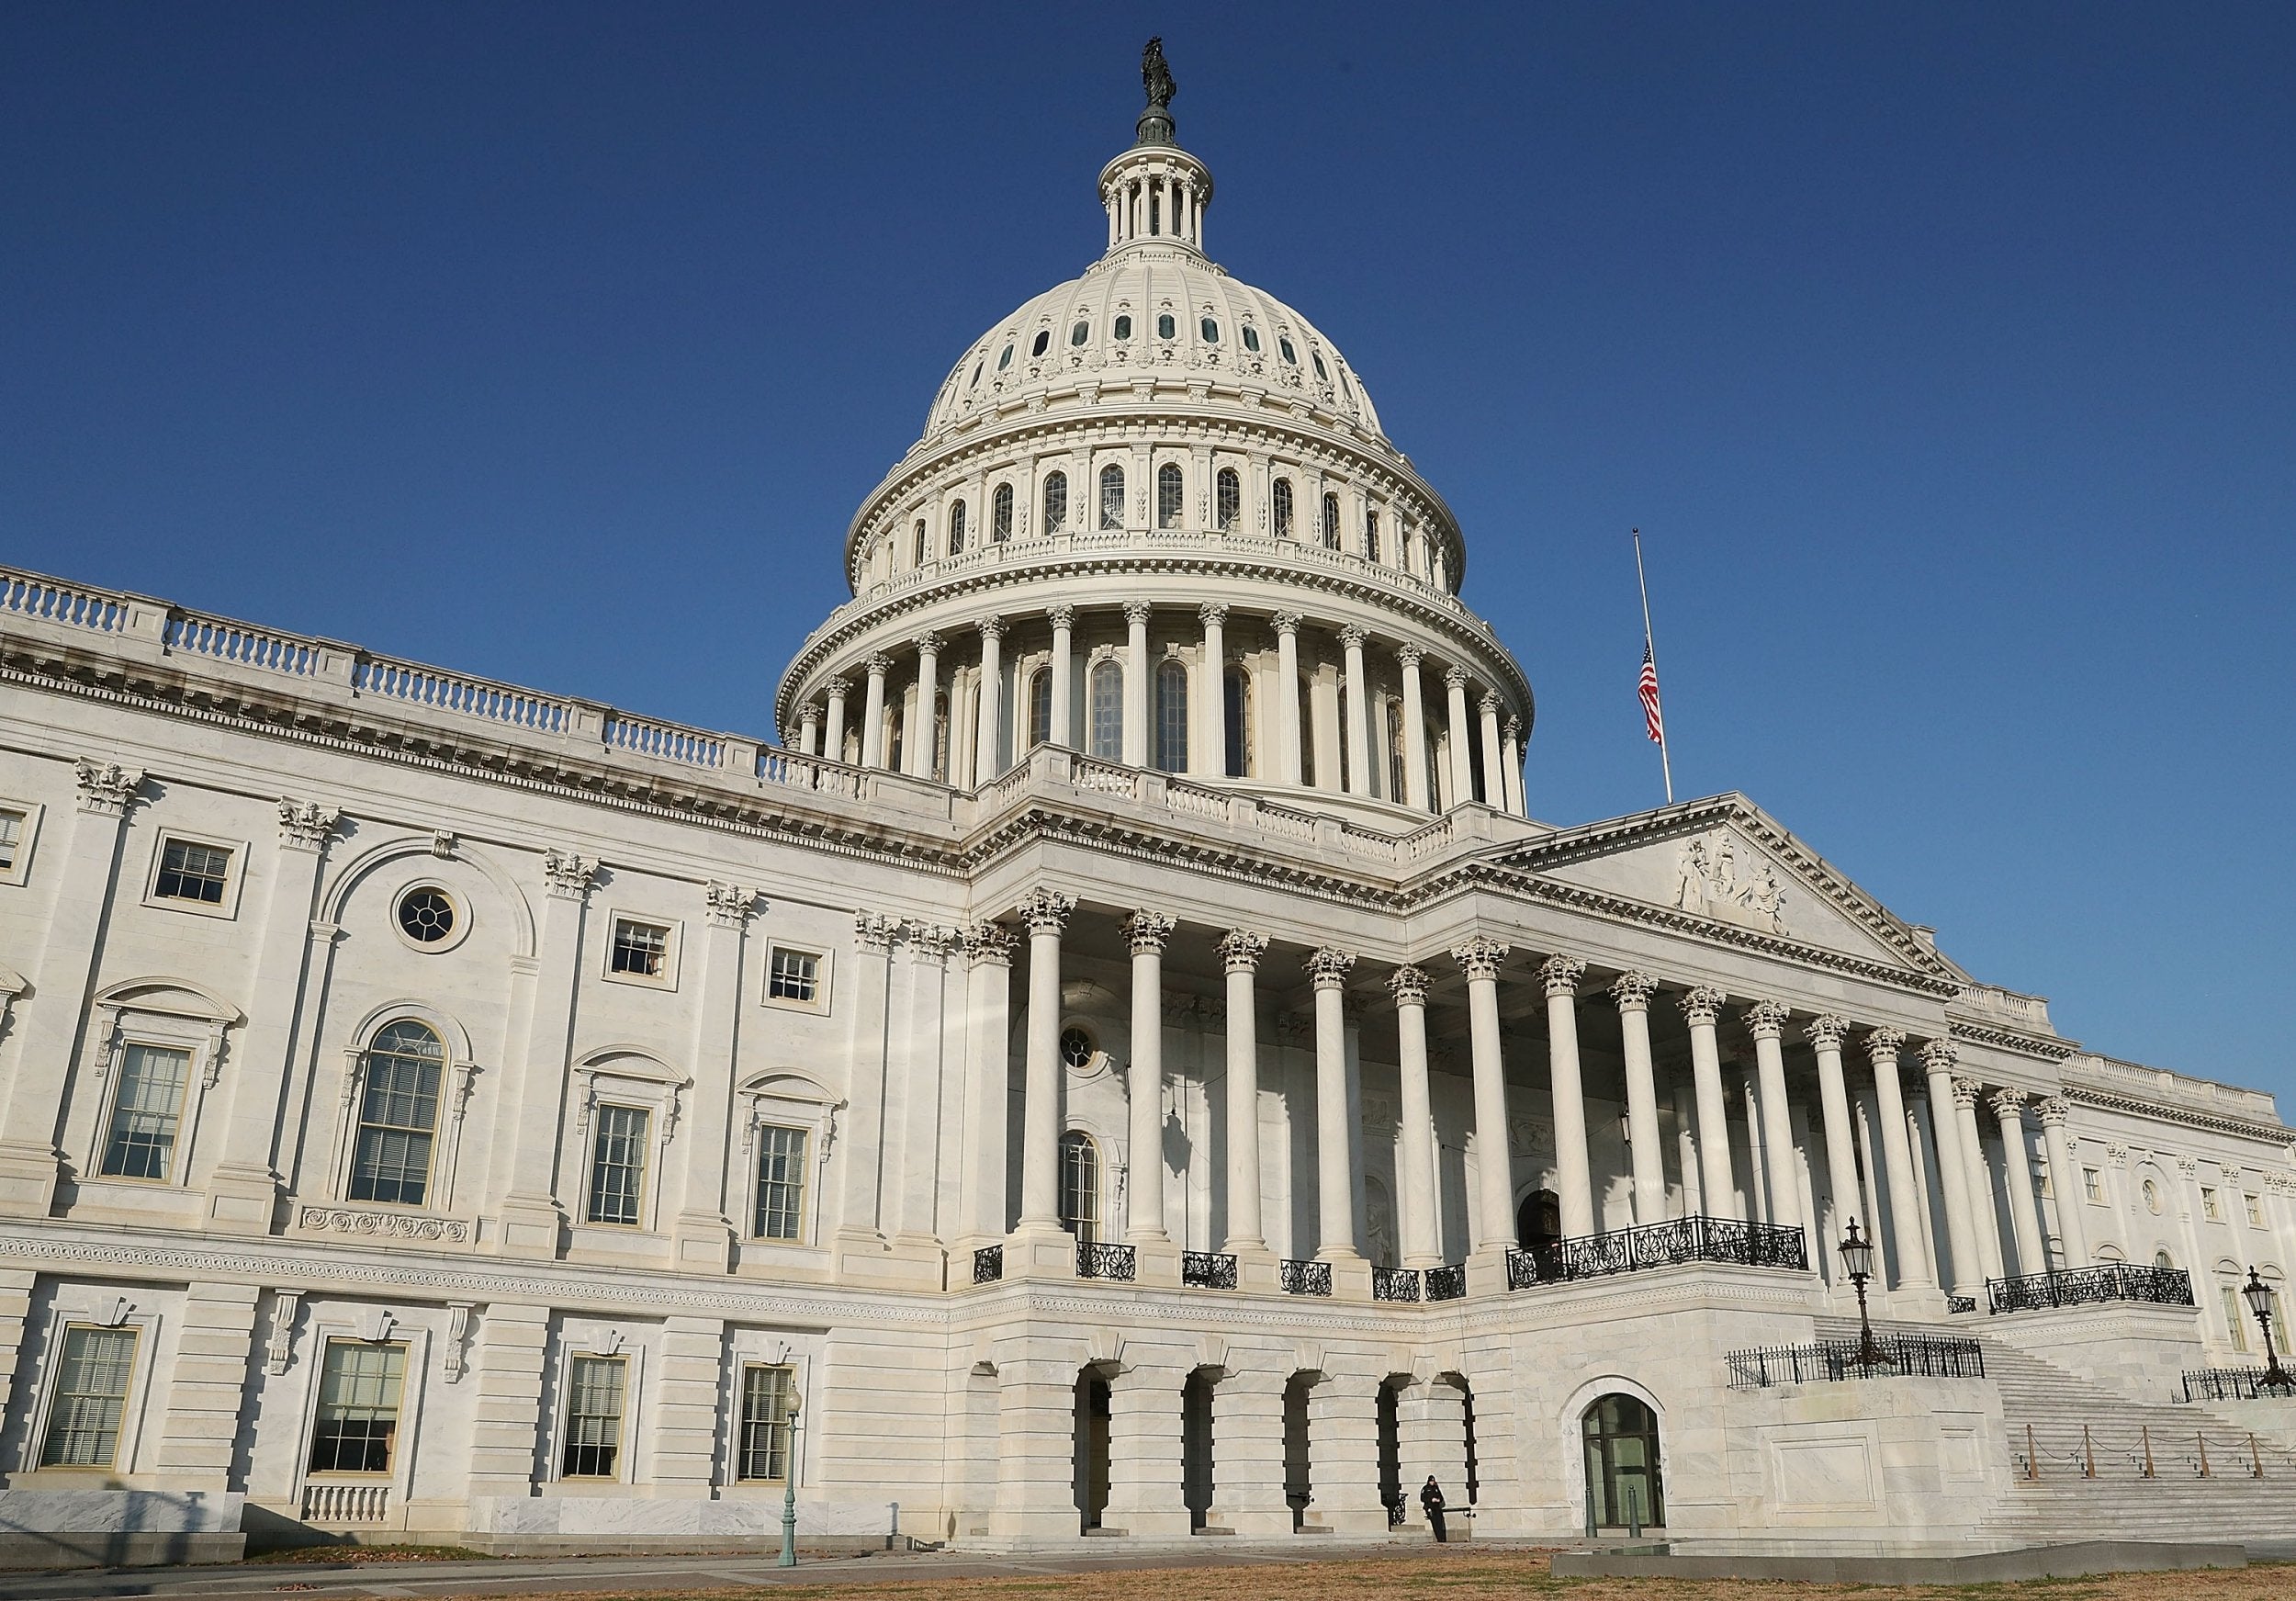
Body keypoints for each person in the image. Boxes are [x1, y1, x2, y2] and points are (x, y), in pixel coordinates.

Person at [1419, 1475, 1447, 1542]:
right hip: (1430, 1507)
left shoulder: (1436, 1488)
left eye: (1433, 1481)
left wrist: (1438, 1500)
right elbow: (1422, 1498)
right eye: (1431, 1481)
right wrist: (1431, 1500)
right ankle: (1439, 1537)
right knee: (1435, 1523)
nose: (1432, 1482)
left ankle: (1442, 1538)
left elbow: (1441, 1497)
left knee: (1440, 1523)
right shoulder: (1425, 1488)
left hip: (1437, 1507)